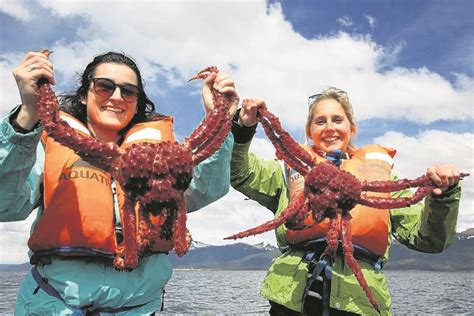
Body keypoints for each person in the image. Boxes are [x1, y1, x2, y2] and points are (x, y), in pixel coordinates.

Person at [0, 50, 239, 315]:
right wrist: (28, 114)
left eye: (128, 91)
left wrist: (220, 116)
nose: (116, 97)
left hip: (138, 308)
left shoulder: (164, 156)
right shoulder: (49, 142)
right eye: (104, 86)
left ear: (138, 102)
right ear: (84, 94)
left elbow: (208, 188)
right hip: (54, 305)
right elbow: (5, 206)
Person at [230, 88, 462, 315]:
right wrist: (244, 128)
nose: (329, 127)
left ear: (351, 128)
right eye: (320, 121)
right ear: (309, 131)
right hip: (288, 301)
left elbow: (429, 240)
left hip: (359, 304)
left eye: (337, 120)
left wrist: (444, 192)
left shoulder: (382, 179)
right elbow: (241, 173)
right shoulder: (290, 171)